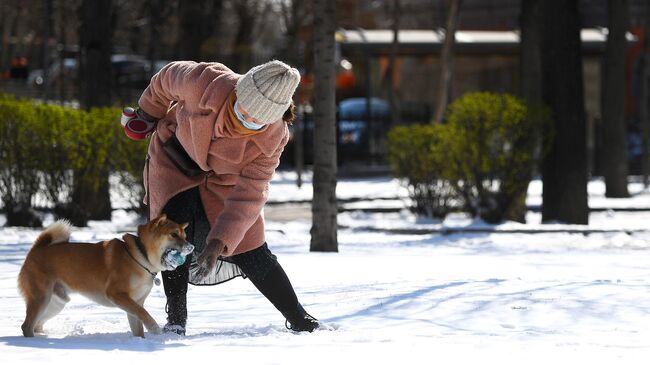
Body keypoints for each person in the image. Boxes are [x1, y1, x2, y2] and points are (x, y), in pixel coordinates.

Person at [121, 60, 319, 335]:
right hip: (174, 160)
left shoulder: (275, 137)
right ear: (237, 91)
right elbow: (165, 79)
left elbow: (252, 191)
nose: (243, 121)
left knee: (250, 247)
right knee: (172, 230)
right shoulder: (204, 82)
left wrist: (218, 242)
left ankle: (299, 317)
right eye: (241, 110)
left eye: (255, 121)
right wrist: (147, 113)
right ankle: (176, 318)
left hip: (224, 182)